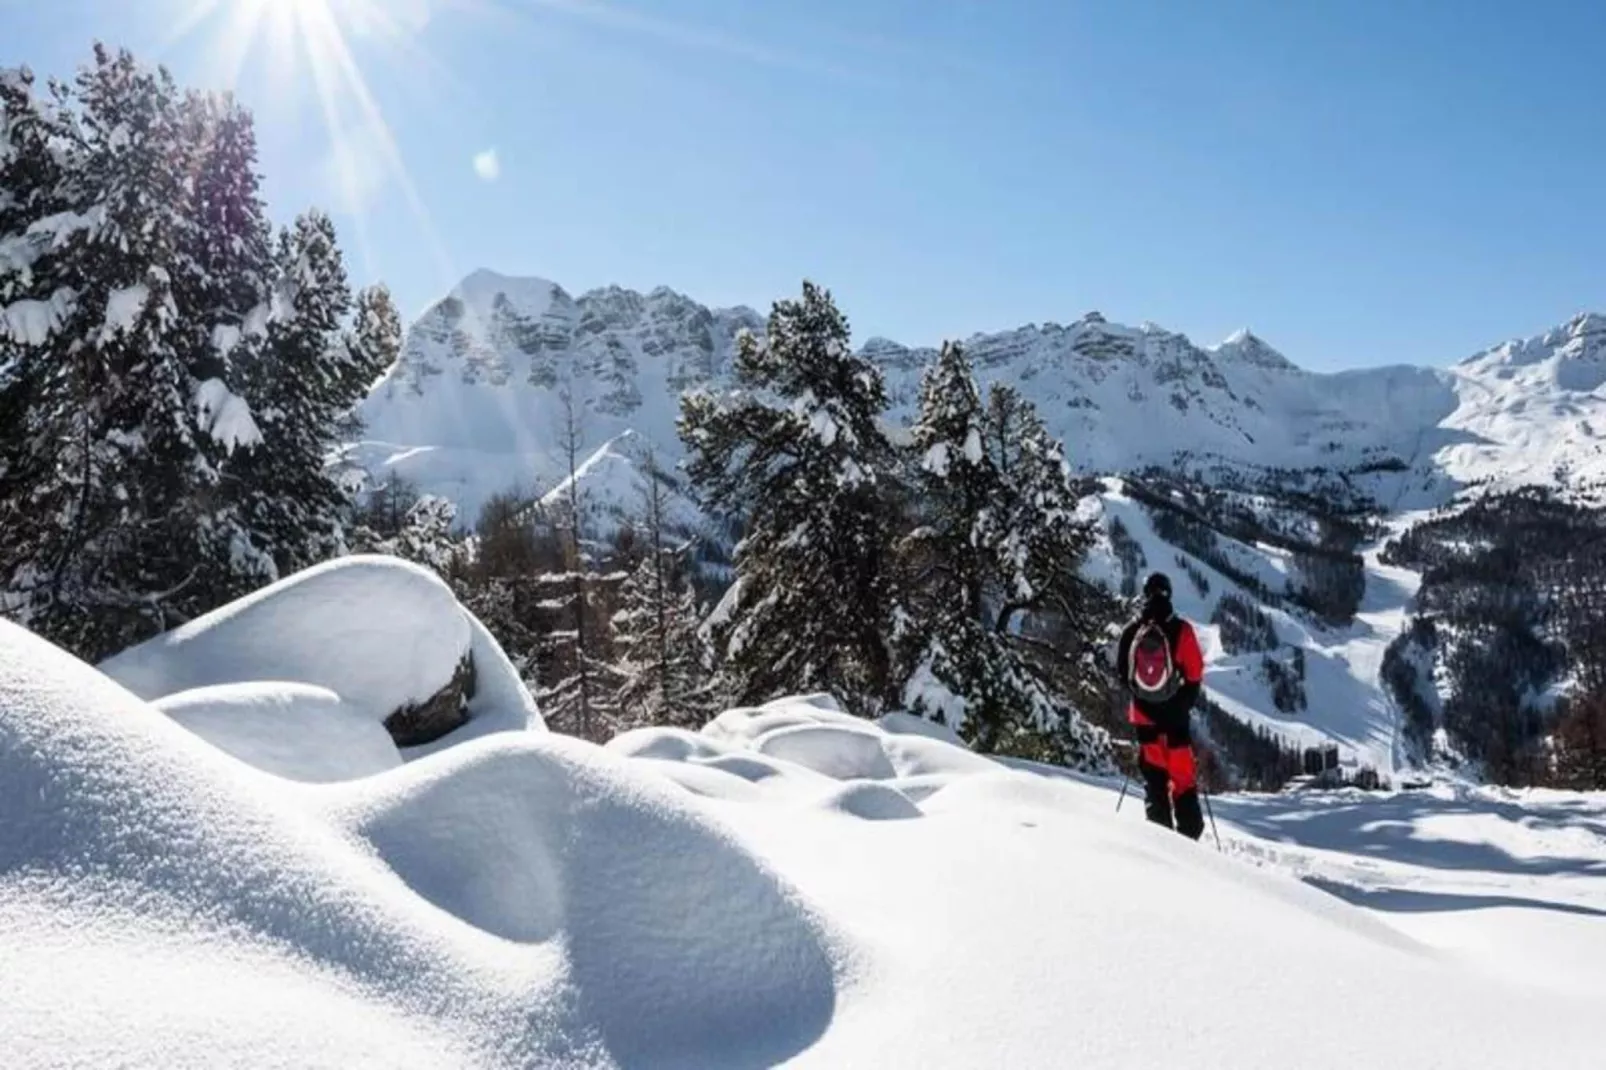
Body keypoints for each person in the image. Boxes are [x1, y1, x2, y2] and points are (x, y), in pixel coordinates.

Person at [1115, 572, 1205, 840]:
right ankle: (1190, 839)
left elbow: (1123, 675)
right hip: (1176, 722)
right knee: (1183, 780)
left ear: (1145, 594)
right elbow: (1195, 674)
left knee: (1155, 782)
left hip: (1144, 721)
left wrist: (1143, 700)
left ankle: (1161, 844)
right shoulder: (1181, 630)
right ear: (1169, 593)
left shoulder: (1132, 632)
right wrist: (1182, 705)